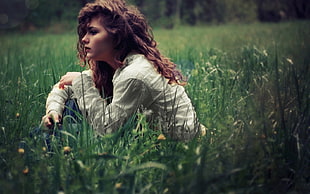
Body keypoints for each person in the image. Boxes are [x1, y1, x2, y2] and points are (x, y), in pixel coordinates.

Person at [42, 0, 205, 141]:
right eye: (85, 32)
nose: (84, 38)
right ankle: (46, 145)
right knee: (72, 104)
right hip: (148, 139)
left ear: (116, 35)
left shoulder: (134, 74)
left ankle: (44, 152)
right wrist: (54, 111)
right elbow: (64, 87)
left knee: (77, 104)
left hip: (177, 146)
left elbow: (107, 130)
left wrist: (81, 84)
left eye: (93, 31)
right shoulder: (113, 66)